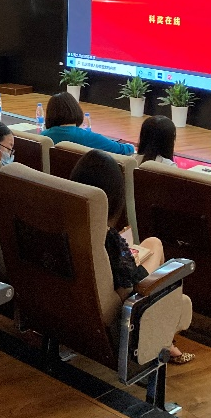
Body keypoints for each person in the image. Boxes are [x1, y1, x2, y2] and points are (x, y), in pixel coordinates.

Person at [70, 150, 191, 363]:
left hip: (81, 298)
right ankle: (164, 340)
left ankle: (166, 341)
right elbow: (128, 288)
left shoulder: (71, 222)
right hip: (123, 307)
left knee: (152, 243)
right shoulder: (108, 237)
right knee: (158, 248)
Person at [41, 92, 135, 154]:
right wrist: (131, 147)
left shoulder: (44, 136)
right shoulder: (88, 137)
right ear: (75, 110)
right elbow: (122, 150)